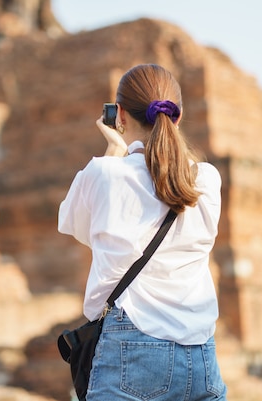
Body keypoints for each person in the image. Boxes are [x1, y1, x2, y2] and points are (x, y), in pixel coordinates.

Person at [58, 64, 227, 400]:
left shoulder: (104, 174)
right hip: (201, 357)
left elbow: (75, 225)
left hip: (131, 349)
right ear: (177, 117)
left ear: (119, 115)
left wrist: (114, 152)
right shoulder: (207, 180)